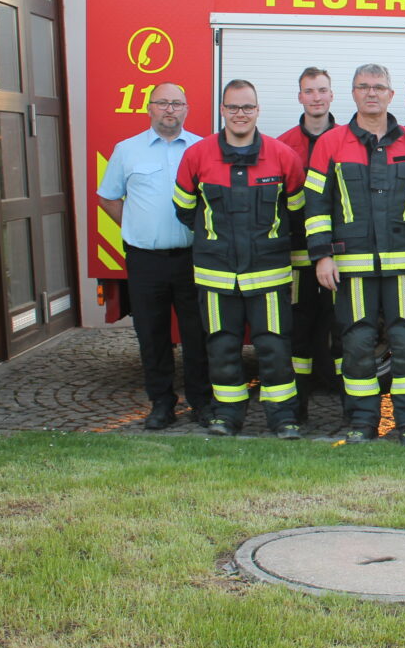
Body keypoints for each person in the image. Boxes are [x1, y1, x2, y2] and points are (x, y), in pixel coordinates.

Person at [306, 64, 405, 445]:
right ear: (353, 93)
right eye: (364, 87)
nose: (371, 93)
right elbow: (316, 204)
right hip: (353, 267)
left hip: (404, 267)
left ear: (391, 95)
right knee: (357, 345)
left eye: (379, 87)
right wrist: (322, 255)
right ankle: (362, 421)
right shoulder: (331, 143)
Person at [173, 79, 306, 439]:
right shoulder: (197, 156)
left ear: (258, 110)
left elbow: (296, 212)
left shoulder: (283, 156)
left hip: (269, 276)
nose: (240, 114)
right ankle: (227, 417)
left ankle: (283, 418)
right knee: (222, 348)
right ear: (222, 110)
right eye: (233, 107)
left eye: (247, 107)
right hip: (217, 276)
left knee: (275, 347)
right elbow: (185, 210)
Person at [97, 82, 212, 429]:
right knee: (152, 334)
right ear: (149, 108)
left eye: (177, 103)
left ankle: (202, 403)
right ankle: (161, 404)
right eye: (162, 102)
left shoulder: (202, 148)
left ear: (186, 109)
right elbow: (108, 197)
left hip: (192, 258)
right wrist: (136, 226)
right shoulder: (127, 150)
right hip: (145, 259)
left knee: (198, 335)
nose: (169, 109)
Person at [276, 67, 340, 423]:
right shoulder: (283, 145)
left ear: (332, 95)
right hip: (298, 259)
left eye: (322, 90)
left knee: (341, 331)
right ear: (299, 96)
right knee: (298, 333)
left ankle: (349, 409)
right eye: (309, 91)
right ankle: (296, 411)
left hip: (339, 256)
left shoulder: (349, 139)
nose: (316, 97)